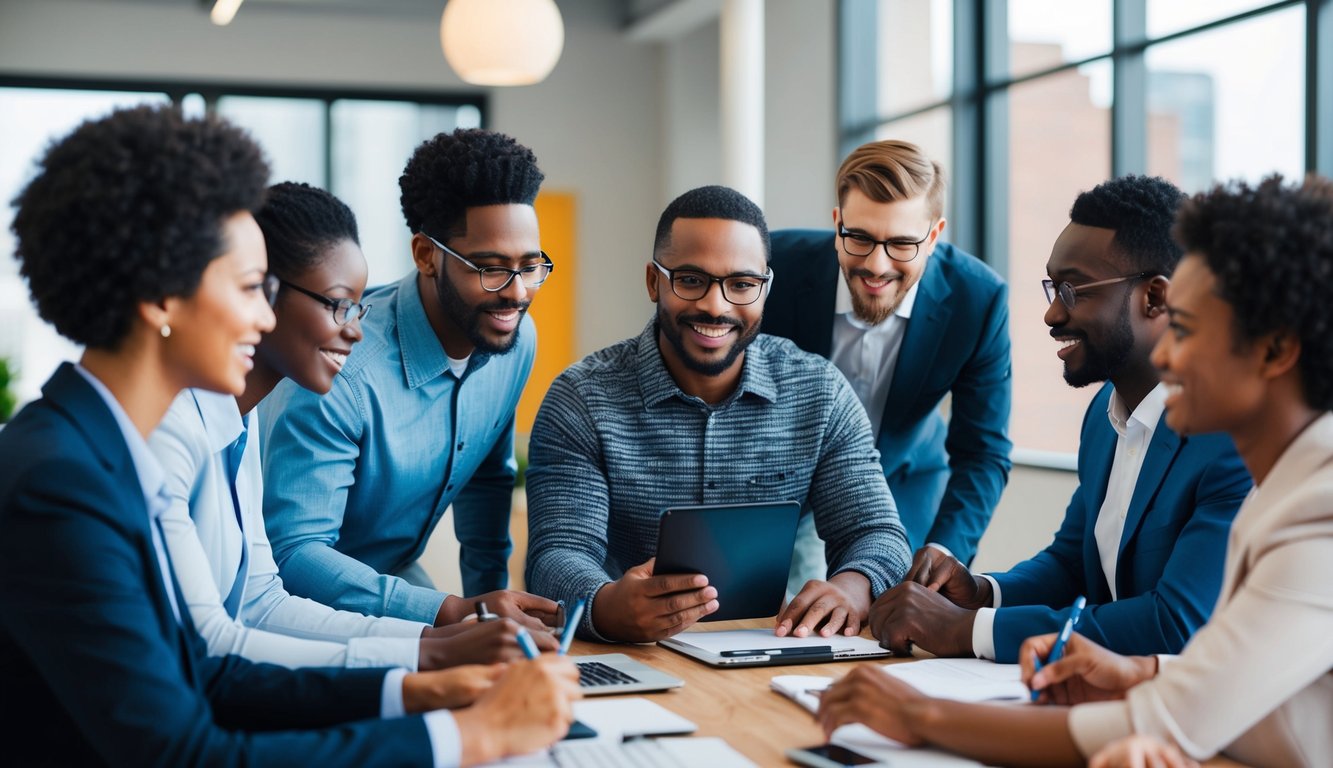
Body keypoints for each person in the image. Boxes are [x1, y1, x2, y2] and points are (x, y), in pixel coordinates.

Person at [0, 104, 579, 766]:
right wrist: (468, 734)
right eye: (251, 288)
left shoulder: (120, 446)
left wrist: (417, 686)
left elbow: (212, 664)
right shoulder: (61, 482)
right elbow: (180, 750)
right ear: (162, 297)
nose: (261, 316)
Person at [817, 174, 1333, 768]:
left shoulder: (1314, 509)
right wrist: (1142, 671)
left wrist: (917, 712)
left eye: (1187, 330)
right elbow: (1253, 665)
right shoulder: (1286, 481)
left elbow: (1166, 712)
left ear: (1272, 351)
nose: (1167, 354)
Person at [151, 181, 552, 673]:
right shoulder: (172, 434)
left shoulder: (242, 419)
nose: (356, 329)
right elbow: (215, 639)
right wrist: (429, 651)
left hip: (341, 612)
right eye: (339, 304)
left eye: (529, 268)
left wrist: (440, 639)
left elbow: (260, 601)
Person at [868, 175, 1250, 662]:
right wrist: (981, 592)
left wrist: (968, 631)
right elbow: (1071, 566)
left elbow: (1175, 622)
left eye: (1073, 290)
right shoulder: (1103, 417)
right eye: (1053, 287)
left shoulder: (1231, 437)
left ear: (1156, 298)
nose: (1051, 314)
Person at [524, 185, 912, 643]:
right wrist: (607, 605)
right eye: (691, 280)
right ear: (654, 282)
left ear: (765, 289)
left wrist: (852, 588)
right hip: (628, 654)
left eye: (741, 285)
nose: (716, 305)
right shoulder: (582, 399)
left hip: (769, 648)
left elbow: (877, 533)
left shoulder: (819, 393)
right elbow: (558, 555)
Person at [260, 129, 558, 629]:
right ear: (425, 255)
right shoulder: (341, 371)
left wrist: (492, 618)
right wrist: (453, 612)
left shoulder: (514, 341)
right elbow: (293, 554)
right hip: (305, 611)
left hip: (400, 582)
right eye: (489, 269)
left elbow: (487, 480)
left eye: (530, 267)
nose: (516, 294)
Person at [762, 139, 1011, 586]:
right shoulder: (774, 269)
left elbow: (983, 453)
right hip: (779, 485)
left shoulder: (979, 300)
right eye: (858, 238)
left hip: (902, 483)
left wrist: (943, 552)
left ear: (933, 236)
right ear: (837, 223)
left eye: (901, 244)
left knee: (899, 618)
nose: (877, 266)